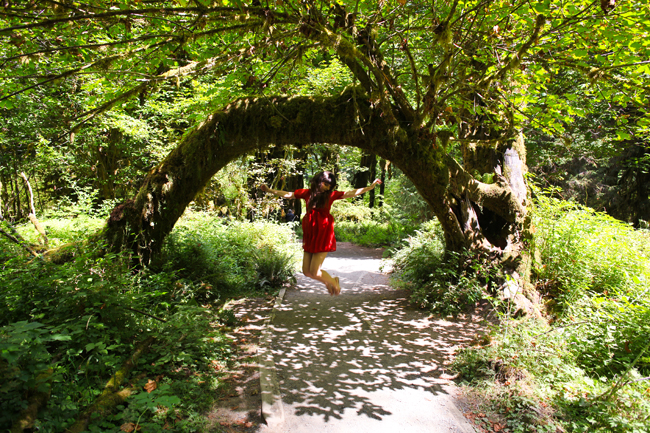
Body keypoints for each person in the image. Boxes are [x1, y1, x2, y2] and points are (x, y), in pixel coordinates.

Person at [260, 171, 381, 296]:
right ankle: (331, 280)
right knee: (306, 271)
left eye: (330, 186)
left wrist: (370, 187)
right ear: (318, 181)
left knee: (315, 272)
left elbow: (351, 193)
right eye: (326, 184)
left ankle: (333, 282)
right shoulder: (307, 193)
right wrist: (269, 190)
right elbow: (288, 194)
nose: (327, 188)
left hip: (324, 233)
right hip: (310, 234)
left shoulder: (331, 195)